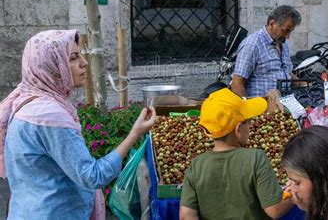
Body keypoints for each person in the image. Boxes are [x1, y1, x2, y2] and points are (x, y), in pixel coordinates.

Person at [0, 30, 157, 219]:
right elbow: (92, 176)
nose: (84, 62)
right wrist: (135, 133)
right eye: (74, 58)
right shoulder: (49, 116)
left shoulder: (24, 103)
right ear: (51, 66)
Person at [179, 88, 294, 220]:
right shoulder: (255, 158)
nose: (250, 125)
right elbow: (274, 210)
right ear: (238, 130)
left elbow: (185, 216)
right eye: (248, 121)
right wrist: (294, 193)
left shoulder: (196, 165)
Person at [231, 5, 301, 97]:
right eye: (285, 30)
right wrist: (247, 108)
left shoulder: (282, 44)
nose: (288, 36)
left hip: (283, 106)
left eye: (290, 31)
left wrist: (303, 83)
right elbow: (237, 84)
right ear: (272, 24)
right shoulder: (252, 44)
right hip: (261, 107)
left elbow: (286, 72)